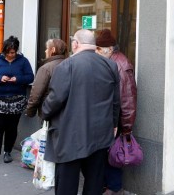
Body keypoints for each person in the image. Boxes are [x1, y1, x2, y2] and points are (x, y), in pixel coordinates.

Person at [42, 29, 120, 195]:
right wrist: (113, 125)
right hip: (100, 135)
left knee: (67, 185)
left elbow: (55, 100)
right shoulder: (110, 65)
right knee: (94, 181)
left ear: (75, 44)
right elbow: (115, 100)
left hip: (70, 136)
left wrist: (44, 112)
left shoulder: (67, 66)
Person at [95, 29, 137, 195]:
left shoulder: (121, 64)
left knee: (112, 154)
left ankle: (113, 187)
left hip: (116, 121)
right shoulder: (110, 61)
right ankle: (107, 185)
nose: (95, 53)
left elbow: (127, 98)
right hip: (108, 118)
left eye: (98, 49)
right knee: (105, 154)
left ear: (109, 49)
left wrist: (126, 127)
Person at [0, 35, 34, 167]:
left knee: (11, 128)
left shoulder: (23, 61)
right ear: (4, 51)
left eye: (13, 52)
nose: (11, 55)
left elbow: (30, 76)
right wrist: (0, 78)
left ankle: (7, 152)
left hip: (16, 100)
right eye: (9, 52)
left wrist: (18, 79)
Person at [26, 38, 67, 118]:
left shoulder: (46, 68)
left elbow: (36, 93)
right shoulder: (71, 65)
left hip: (49, 110)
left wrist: (30, 111)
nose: (45, 51)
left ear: (53, 50)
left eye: (47, 48)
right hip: (67, 112)